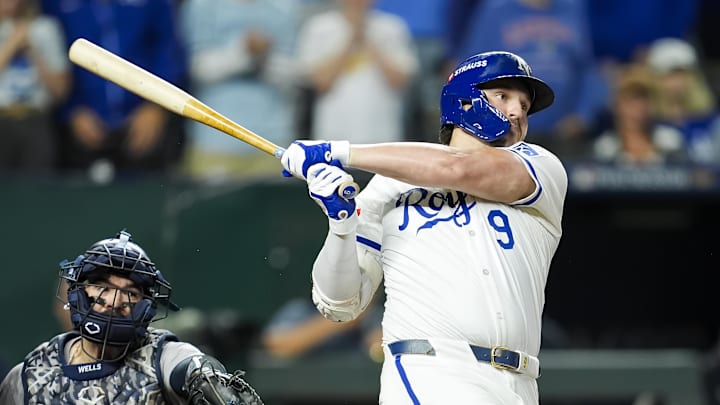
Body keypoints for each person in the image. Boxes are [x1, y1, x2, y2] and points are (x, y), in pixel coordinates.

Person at [280, 51, 568, 404]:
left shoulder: (542, 167)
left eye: (524, 105)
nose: (517, 112)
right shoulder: (389, 186)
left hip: (520, 384)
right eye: (503, 96)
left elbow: (459, 170)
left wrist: (338, 151)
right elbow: (340, 304)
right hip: (432, 373)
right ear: (464, 100)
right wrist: (341, 225)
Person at [0, 230, 263, 404]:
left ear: (145, 306)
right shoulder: (29, 376)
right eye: (101, 285)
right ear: (77, 292)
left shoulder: (163, 357)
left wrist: (204, 377)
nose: (114, 301)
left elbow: (195, 371)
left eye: (129, 292)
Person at [40, 0, 187, 179]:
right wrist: (71, 110)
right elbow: (50, 52)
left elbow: (169, 49)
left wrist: (156, 107)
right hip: (80, 127)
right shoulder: (55, 4)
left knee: (146, 196)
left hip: (143, 124)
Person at [178, 0, 301, 181]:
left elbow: (296, 73)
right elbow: (197, 68)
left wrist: (262, 56)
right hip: (215, 139)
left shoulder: (286, 7)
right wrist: (243, 51)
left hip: (273, 139)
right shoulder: (201, 6)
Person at [296, 0, 418, 144]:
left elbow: (399, 81)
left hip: (382, 136)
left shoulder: (392, 27)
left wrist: (366, 37)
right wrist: (351, 36)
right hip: (333, 137)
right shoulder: (319, 27)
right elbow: (321, 82)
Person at [0, 0, 70, 174]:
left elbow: (61, 90)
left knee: (36, 192)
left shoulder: (45, 29)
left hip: (36, 121)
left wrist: (33, 52)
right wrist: (11, 45)